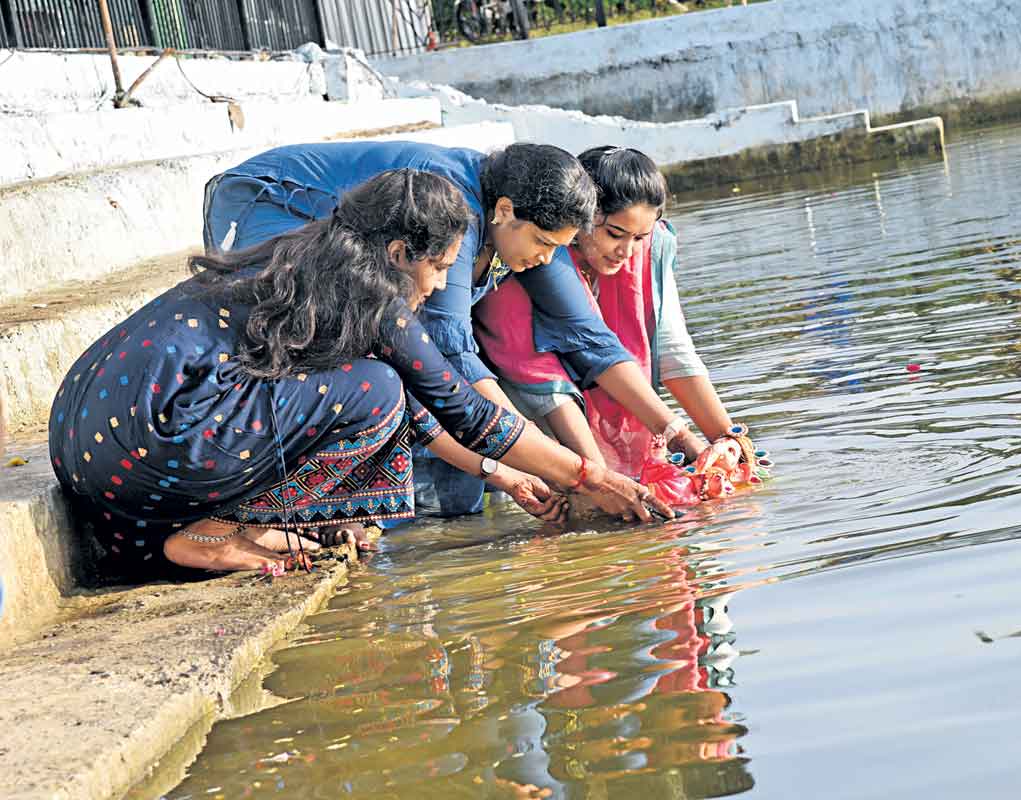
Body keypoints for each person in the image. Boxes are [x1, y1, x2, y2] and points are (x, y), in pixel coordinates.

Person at [49, 169, 671, 579]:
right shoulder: (375, 296)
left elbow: (424, 415)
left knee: (376, 388)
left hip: (86, 442)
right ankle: (220, 529)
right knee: (374, 389)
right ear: (400, 254)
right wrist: (591, 478)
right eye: (437, 269)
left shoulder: (308, 256)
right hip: (154, 437)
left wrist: (499, 474)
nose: (433, 288)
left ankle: (227, 526)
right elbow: (460, 408)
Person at [203, 141, 707, 518]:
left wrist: (684, 438)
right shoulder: (456, 213)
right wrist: (577, 472)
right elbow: (452, 353)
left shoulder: (530, 218)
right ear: (504, 212)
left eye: (559, 248)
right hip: (269, 205)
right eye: (542, 244)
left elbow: (590, 338)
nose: (546, 260)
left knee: (471, 489)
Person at [475, 146, 761, 497]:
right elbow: (541, 379)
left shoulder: (648, 254)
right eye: (614, 233)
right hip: (533, 436)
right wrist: (600, 483)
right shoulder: (529, 256)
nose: (626, 252)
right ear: (581, 219)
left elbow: (674, 352)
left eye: (639, 238)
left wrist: (725, 441)